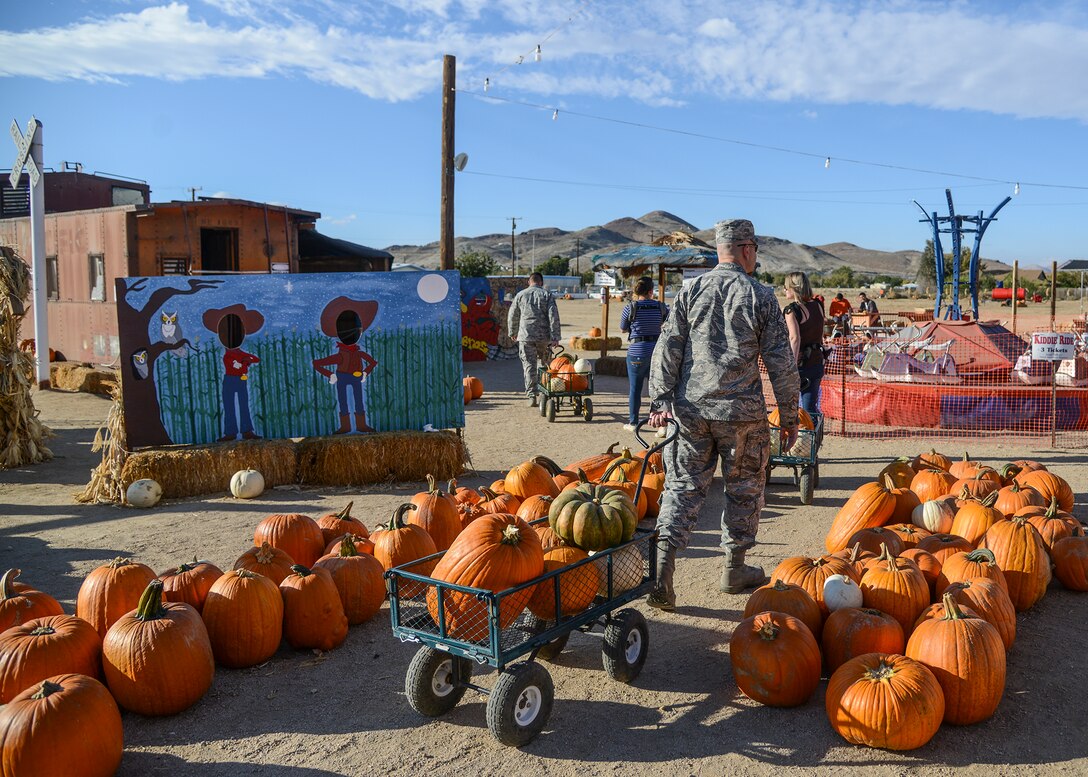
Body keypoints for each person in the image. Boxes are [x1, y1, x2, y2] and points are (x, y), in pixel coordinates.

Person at [645, 219, 800, 610]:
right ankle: (734, 567)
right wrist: (790, 415)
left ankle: (663, 570)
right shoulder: (761, 296)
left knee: (681, 488)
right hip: (741, 414)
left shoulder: (690, 290)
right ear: (747, 249)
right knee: (744, 489)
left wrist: (660, 400)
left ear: (720, 250)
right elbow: (781, 363)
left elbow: (668, 346)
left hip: (690, 410)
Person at [620, 276, 669, 432]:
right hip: (656, 352)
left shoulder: (630, 307)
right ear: (650, 291)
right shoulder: (661, 307)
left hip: (636, 352)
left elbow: (623, 328)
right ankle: (661, 424)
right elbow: (669, 323)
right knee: (658, 389)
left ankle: (633, 423)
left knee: (635, 388)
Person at [508, 272, 561, 406]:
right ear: (541, 282)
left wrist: (513, 332)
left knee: (529, 365)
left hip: (525, 336)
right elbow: (553, 316)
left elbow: (512, 315)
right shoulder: (547, 295)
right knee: (546, 365)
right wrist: (555, 337)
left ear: (529, 282)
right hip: (544, 337)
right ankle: (546, 392)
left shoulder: (520, 295)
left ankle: (532, 396)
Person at [784, 272, 825, 414]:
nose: (784, 290)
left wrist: (791, 367)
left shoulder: (792, 310)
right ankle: (814, 435)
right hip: (817, 361)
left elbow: (794, 339)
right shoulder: (818, 305)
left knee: (793, 411)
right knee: (810, 408)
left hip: (801, 365)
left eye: (786, 287)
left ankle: (803, 436)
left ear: (793, 288)